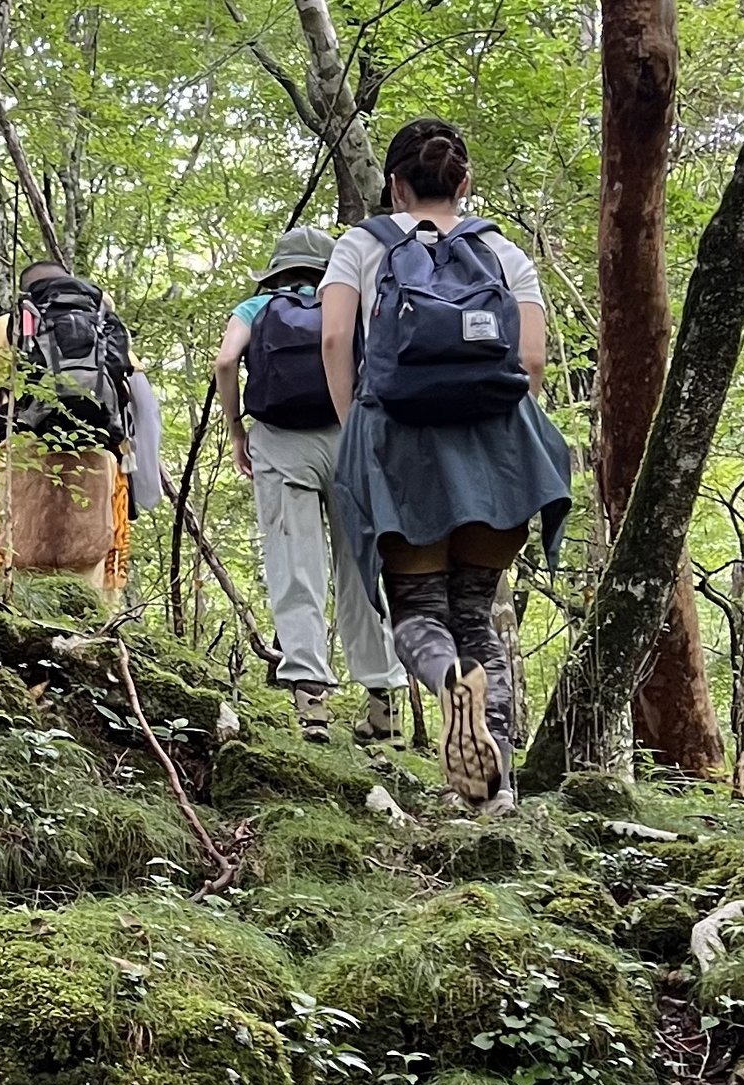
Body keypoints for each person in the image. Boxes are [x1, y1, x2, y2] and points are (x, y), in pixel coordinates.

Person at [321, 118, 572, 812]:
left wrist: (356, 430)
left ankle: (446, 679)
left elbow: (338, 335)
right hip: (498, 451)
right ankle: (496, 792)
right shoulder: (504, 253)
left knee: (418, 613)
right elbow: (532, 361)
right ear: (464, 183)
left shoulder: (361, 246)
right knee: (477, 612)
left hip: (402, 449)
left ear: (395, 185)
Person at [214, 227, 405, 745]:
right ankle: (383, 704)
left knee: (295, 567)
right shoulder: (349, 303)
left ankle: (312, 702)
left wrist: (236, 430)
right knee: (363, 568)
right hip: (350, 441)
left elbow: (226, 360)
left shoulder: (256, 307)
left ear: (277, 271)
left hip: (280, 444)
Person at [0, 262, 165, 596]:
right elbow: (148, 411)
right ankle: (95, 637)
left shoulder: (5, 329)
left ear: (26, 293)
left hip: (21, 459)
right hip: (99, 466)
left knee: (10, 568)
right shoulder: (106, 335)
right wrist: (148, 483)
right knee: (92, 579)